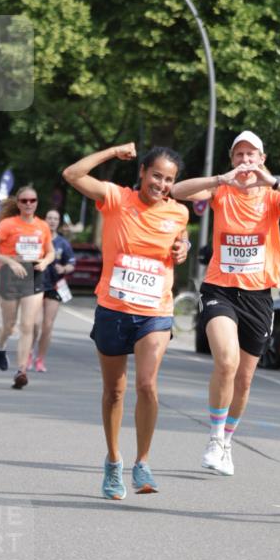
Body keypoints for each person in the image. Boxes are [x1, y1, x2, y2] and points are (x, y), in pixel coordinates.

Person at [171, 130, 280, 476]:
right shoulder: (220, 190)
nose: (244, 161)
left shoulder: (271, 197)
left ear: (262, 160)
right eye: (239, 155)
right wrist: (220, 179)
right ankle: (213, 437)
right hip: (220, 288)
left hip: (258, 295)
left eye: (251, 155)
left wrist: (275, 183)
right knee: (226, 361)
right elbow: (177, 192)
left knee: (245, 379)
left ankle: (227, 441)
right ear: (232, 160)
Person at [62, 143, 189, 500]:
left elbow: (180, 240)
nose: (161, 184)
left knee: (147, 384)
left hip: (155, 311)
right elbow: (72, 174)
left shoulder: (178, 213)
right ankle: (114, 460)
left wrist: (185, 248)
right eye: (156, 176)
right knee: (114, 392)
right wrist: (112, 152)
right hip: (113, 308)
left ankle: (143, 462)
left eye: (169, 180)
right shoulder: (116, 199)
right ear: (142, 173)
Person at [0, 187, 54, 389]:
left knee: (28, 326)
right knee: (10, 325)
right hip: (10, 276)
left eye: (33, 200)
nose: (29, 204)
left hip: (34, 276)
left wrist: (45, 263)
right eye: (24, 201)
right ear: (18, 203)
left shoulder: (42, 226)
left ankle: (21, 370)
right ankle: (1, 344)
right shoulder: (8, 224)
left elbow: (50, 252)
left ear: (37, 202)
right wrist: (10, 262)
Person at [28, 209, 76, 373]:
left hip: (55, 286)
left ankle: (40, 359)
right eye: (49, 218)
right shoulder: (37, 239)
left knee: (47, 326)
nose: (53, 221)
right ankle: (28, 354)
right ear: (44, 220)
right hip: (36, 283)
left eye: (56, 218)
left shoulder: (63, 243)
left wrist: (64, 268)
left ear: (59, 222)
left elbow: (71, 264)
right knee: (34, 324)